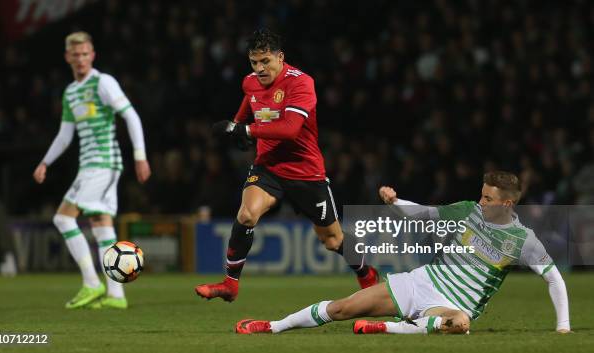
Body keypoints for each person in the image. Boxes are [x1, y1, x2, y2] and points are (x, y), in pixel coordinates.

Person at [234, 171, 571, 335]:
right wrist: (396, 203)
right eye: (481, 195)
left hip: (453, 306)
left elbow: (553, 278)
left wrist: (563, 327)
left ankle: (385, 328)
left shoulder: (522, 239)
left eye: (488, 198)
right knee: (342, 308)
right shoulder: (469, 211)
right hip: (421, 283)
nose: (481, 201)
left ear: (507, 203)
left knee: (460, 323)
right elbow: (425, 213)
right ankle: (273, 326)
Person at [195, 29, 378, 302]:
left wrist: (243, 130)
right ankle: (230, 284)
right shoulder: (250, 82)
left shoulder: (301, 83)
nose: (259, 69)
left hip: (306, 172)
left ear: (280, 58)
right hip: (268, 168)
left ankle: (367, 274)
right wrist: (239, 124)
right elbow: (251, 99)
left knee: (332, 241)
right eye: (254, 62)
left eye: (265, 61)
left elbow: (291, 129)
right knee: (246, 214)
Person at [33, 31, 151, 309]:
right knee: (101, 226)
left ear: (93, 55)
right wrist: (45, 162)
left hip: (103, 163)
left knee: (62, 219)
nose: (81, 59)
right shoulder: (71, 92)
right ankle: (115, 295)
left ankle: (90, 282)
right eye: (76, 55)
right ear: (67, 58)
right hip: (92, 164)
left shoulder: (103, 82)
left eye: (86, 54)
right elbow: (65, 135)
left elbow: (130, 115)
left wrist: (140, 156)